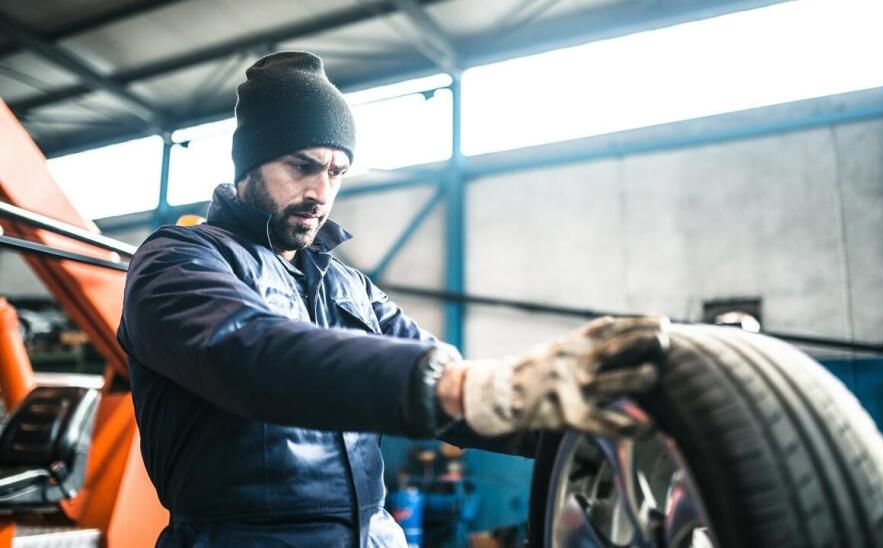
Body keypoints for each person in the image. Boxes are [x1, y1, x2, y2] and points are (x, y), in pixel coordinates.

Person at [117, 51, 667, 547]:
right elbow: (250, 353)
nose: (320, 194)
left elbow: (449, 396)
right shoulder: (177, 261)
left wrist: (568, 424)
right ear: (248, 164)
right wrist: (457, 384)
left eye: (336, 172)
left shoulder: (347, 285)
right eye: (302, 166)